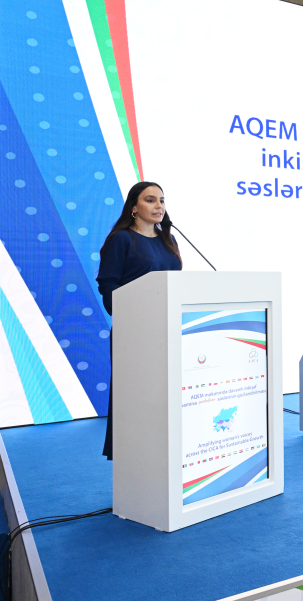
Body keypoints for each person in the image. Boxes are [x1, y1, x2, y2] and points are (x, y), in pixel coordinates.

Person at [97, 182, 182, 460]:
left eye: (162, 200)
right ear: (134, 207)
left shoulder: (169, 240)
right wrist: (126, 312)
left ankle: (165, 457)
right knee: (135, 400)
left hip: (168, 330)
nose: (159, 206)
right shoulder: (121, 239)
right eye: (150, 200)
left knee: (165, 399)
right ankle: (133, 460)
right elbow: (108, 285)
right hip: (134, 333)